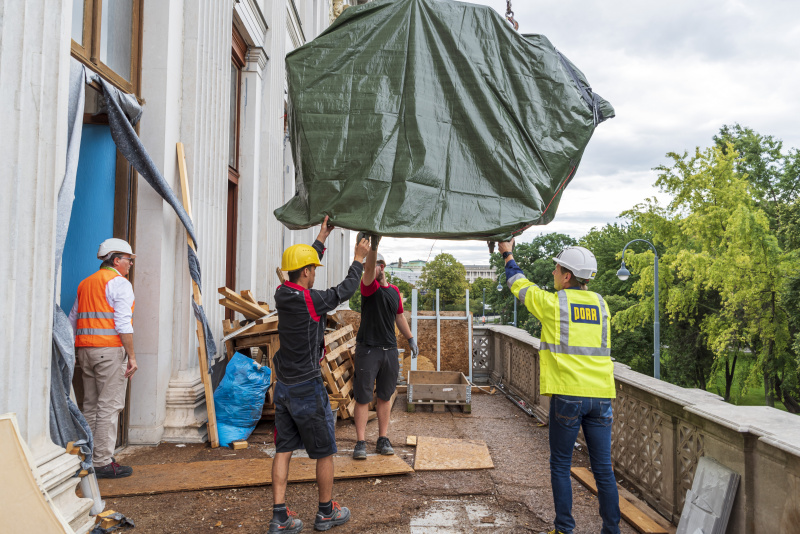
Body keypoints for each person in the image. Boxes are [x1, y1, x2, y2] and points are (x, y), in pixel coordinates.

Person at [497, 239, 620, 534]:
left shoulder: (556, 305)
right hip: (601, 396)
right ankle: (612, 530)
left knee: (561, 465)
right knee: (603, 469)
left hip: (568, 395)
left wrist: (506, 252)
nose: (553, 273)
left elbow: (518, 283)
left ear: (567, 276)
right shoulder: (602, 305)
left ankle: (565, 529)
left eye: (556, 269)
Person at [269, 216, 370, 534]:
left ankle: (279, 517)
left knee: (283, 449)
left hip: (283, 385)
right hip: (306, 388)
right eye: (312, 269)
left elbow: (302, 267)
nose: (314, 273)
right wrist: (358, 259)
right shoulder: (312, 301)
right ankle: (326, 513)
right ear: (307, 272)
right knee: (324, 450)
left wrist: (321, 238)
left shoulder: (281, 293)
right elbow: (347, 289)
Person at [68, 238, 138, 479]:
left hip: (85, 352)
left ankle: (88, 457)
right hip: (109, 351)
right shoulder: (120, 284)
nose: (130, 264)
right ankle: (102, 462)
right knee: (109, 406)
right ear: (116, 260)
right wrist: (131, 356)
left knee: (90, 405)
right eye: (129, 260)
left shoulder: (86, 283)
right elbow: (122, 323)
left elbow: (72, 320)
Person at [352, 237, 418, 460]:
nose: (375, 267)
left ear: (385, 267)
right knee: (362, 397)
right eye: (373, 264)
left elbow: (399, 316)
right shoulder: (367, 287)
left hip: (389, 350)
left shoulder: (394, 292)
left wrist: (410, 339)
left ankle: (382, 438)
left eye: (380, 263)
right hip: (368, 349)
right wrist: (374, 248)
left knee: (385, 396)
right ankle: (360, 442)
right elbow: (369, 269)